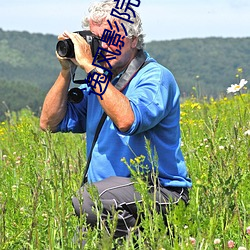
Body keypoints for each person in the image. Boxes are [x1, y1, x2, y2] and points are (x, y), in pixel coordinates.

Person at [40, 0, 192, 244]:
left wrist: (89, 67)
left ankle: (146, 241)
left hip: (160, 192)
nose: (102, 47)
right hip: (110, 200)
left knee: (88, 199)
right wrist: (66, 70)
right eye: (96, 38)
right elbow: (49, 123)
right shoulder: (99, 82)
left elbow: (127, 120)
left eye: (110, 38)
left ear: (133, 40)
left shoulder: (154, 77)